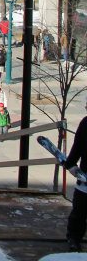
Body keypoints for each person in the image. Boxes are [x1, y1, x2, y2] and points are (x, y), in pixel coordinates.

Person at [66, 105, 87, 251]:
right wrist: (71, 163)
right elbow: (78, 146)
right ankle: (74, 238)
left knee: (79, 210)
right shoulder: (85, 123)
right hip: (85, 178)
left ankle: (74, 237)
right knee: (79, 211)